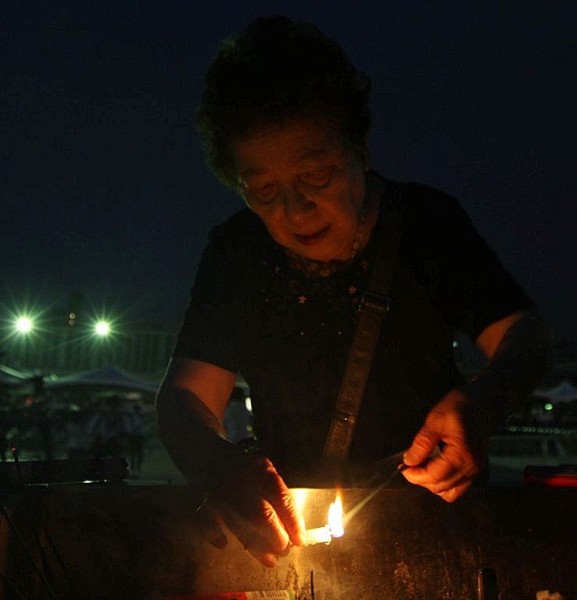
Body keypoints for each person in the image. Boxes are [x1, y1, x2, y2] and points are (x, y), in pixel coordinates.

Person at [155, 16, 552, 568]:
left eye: (316, 176)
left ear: (361, 146)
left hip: (437, 527)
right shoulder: (238, 252)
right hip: (289, 542)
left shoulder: (426, 224)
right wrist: (217, 466)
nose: (294, 212)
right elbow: (184, 400)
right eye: (264, 190)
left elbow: (525, 338)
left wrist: (479, 406)